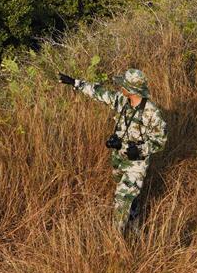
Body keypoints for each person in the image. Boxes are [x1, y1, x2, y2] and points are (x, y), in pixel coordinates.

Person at [58, 68, 167, 231]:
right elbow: (100, 93)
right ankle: (135, 224)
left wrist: (140, 150)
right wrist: (75, 83)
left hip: (136, 163)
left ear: (131, 90)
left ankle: (116, 237)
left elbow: (160, 140)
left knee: (121, 198)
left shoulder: (151, 112)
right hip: (118, 159)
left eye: (123, 85)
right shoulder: (122, 101)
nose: (120, 87)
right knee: (129, 195)